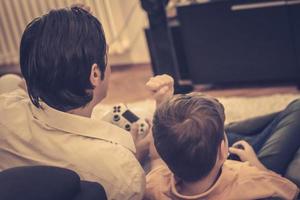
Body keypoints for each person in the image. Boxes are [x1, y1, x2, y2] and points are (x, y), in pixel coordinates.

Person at [0, 6, 172, 200]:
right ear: (95, 74)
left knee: (7, 81)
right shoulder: (124, 170)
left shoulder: (5, 112)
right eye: (106, 55)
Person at [144, 90, 300, 199]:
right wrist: (256, 164)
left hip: (207, 154)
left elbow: (156, 159)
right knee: (297, 108)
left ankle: (214, 129)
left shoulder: (155, 186)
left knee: (202, 129)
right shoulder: (251, 179)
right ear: (222, 150)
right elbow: (291, 191)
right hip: (247, 164)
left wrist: (162, 105)